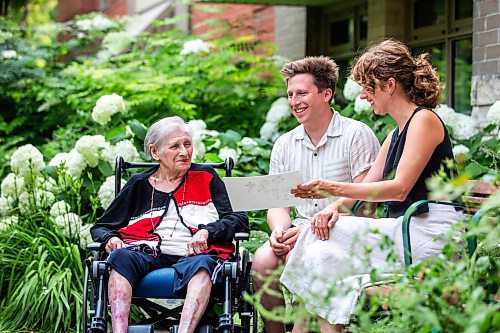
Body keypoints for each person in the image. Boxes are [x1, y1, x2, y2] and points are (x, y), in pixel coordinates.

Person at [282, 39, 463, 332]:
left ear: (390, 85)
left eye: (369, 87)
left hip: (432, 236)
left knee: (324, 240)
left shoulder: (424, 121)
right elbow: (369, 184)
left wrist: (333, 188)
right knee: (322, 252)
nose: (364, 96)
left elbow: (399, 188)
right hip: (404, 232)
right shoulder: (395, 135)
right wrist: (334, 208)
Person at [251, 56, 380, 333]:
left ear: (326, 93)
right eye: (290, 94)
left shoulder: (357, 135)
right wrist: (279, 232)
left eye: (302, 93)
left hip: (344, 230)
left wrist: (311, 231)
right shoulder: (285, 144)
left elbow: (366, 202)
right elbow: (278, 204)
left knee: (312, 255)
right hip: (299, 230)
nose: (294, 101)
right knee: (262, 261)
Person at [90, 116, 249, 333]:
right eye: (175, 146)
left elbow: (239, 219)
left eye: (187, 144)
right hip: (145, 253)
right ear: (155, 152)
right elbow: (101, 227)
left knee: (203, 266)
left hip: (195, 255)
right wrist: (110, 238)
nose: (184, 151)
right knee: (119, 258)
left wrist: (206, 232)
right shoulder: (139, 184)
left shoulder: (206, 176)